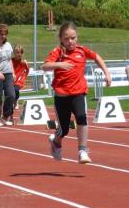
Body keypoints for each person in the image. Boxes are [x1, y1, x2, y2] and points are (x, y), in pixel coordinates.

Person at [42, 21, 111, 164]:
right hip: (61, 96)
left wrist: (107, 73)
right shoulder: (58, 52)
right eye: (66, 39)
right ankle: (56, 142)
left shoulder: (82, 50)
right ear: (61, 39)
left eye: (73, 38)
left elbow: (97, 57)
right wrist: (59, 64)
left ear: (77, 37)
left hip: (78, 93)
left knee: (82, 117)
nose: (70, 42)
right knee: (64, 130)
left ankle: (82, 150)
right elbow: (45, 66)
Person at [11, 44, 30, 114]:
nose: (19, 54)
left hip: (19, 80)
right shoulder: (11, 61)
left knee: (16, 90)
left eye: (20, 52)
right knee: (10, 92)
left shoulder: (23, 62)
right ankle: (14, 100)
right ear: (14, 53)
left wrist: (23, 76)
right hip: (12, 79)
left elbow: (27, 70)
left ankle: (16, 100)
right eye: (17, 52)